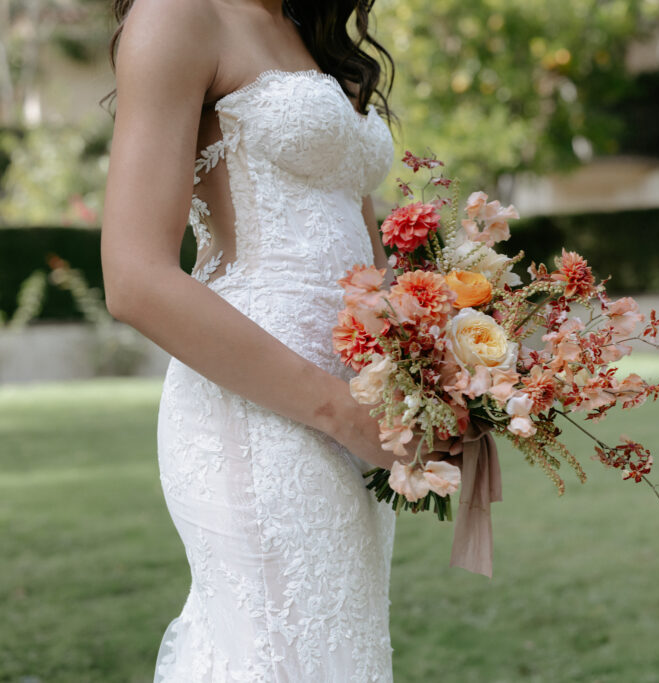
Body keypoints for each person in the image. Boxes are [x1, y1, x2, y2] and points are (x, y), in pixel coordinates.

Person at [101, 0, 430, 679]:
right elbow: (133, 277)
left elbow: (364, 260)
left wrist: (435, 374)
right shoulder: (177, 15)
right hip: (256, 412)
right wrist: (339, 410)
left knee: (340, 649)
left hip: (356, 409)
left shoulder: (308, 29)